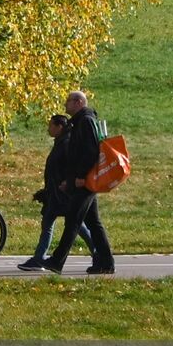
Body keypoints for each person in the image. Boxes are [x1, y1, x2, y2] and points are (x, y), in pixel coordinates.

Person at [43, 91, 115, 275]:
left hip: (86, 181)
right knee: (93, 222)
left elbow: (91, 151)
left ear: (79, 102)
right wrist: (69, 180)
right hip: (81, 180)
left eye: (68, 101)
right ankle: (106, 263)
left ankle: (57, 261)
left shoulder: (85, 121)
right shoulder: (80, 122)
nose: (65, 104)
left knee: (73, 220)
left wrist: (81, 176)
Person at [17, 113, 94, 271]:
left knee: (76, 225)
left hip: (63, 193)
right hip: (54, 193)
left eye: (51, 125)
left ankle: (97, 251)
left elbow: (70, 166)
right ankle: (39, 258)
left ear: (59, 127)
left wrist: (67, 184)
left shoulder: (66, 143)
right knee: (50, 224)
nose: (48, 129)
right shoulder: (61, 142)